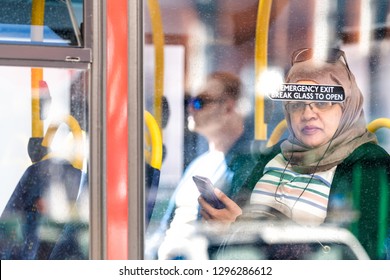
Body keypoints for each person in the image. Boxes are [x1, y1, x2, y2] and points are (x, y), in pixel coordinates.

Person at [198, 48, 390, 260]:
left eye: (322, 103)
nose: (308, 114)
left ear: (346, 107)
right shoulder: (273, 155)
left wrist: (240, 231)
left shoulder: (369, 164)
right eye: (298, 104)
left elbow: (355, 255)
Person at [154, 71, 256, 259]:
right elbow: (164, 226)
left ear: (228, 108)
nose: (191, 109)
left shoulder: (249, 166)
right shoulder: (199, 164)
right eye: (189, 102)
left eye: (200, 102)